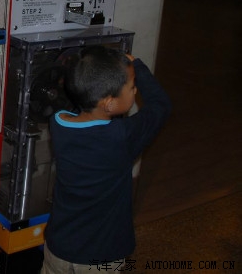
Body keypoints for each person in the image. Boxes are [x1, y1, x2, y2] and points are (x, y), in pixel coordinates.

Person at [41, 45, 172, 273]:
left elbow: (80, 112)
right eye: (132, 87)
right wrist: (137, 67)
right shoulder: (121, 137)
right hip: (100, 255)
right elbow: (160, 105)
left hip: (59, 247)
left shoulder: (59, 123)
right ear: (109, 103)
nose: (135, 90)